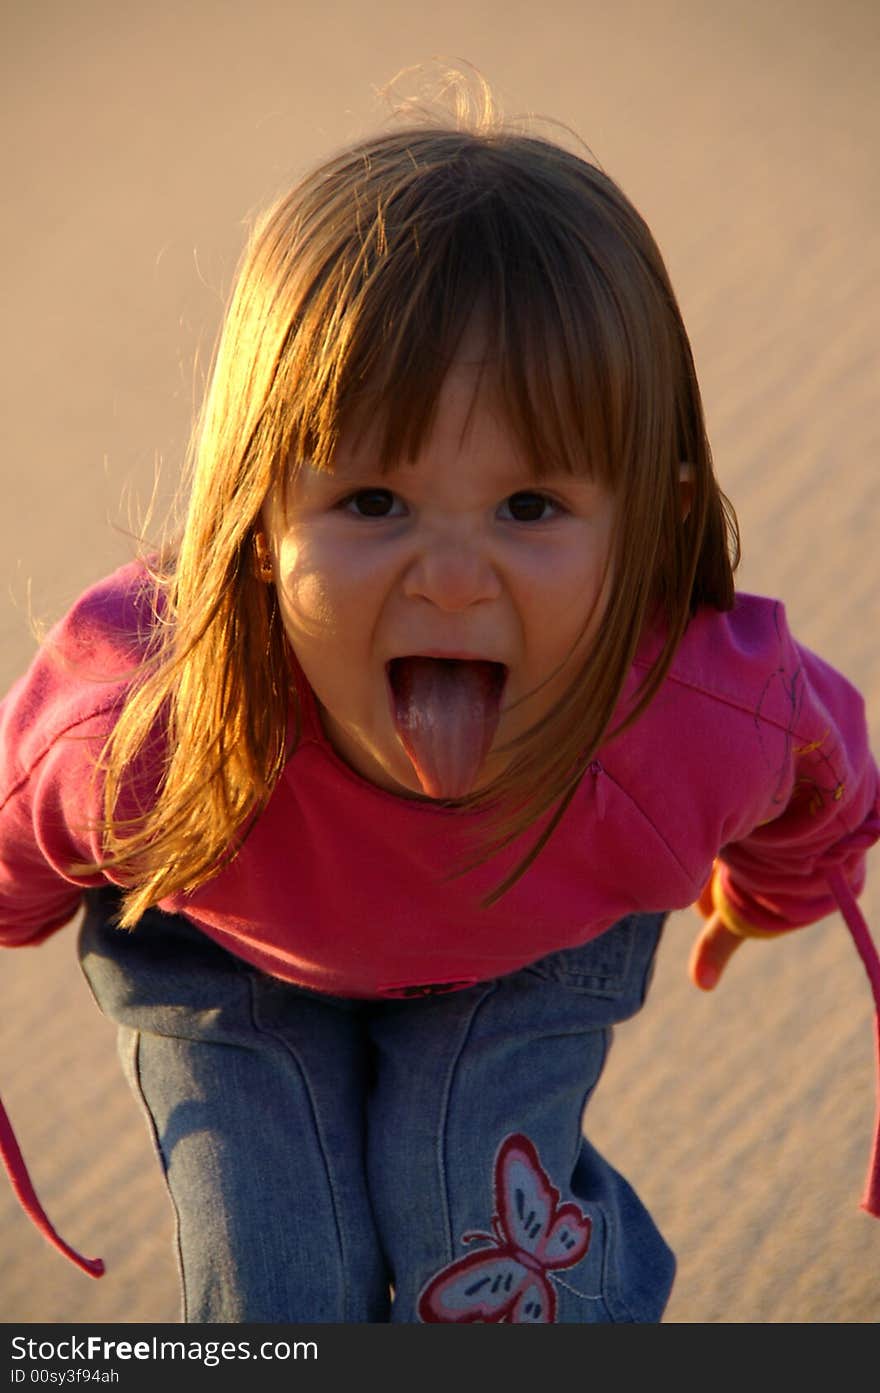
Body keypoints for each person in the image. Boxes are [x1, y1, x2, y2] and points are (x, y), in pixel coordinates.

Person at [1, 111, 878, 1325]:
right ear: (257, 524)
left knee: (487, 1244)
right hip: (226, 932)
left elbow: (818, 780)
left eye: (528, 505)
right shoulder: (148, 731)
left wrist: (763, 897)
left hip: (536, 926)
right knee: (278, 1283)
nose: (452, 576)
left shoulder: (684, 716)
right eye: (373, 499)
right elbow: (17, 823)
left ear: (654, 529)